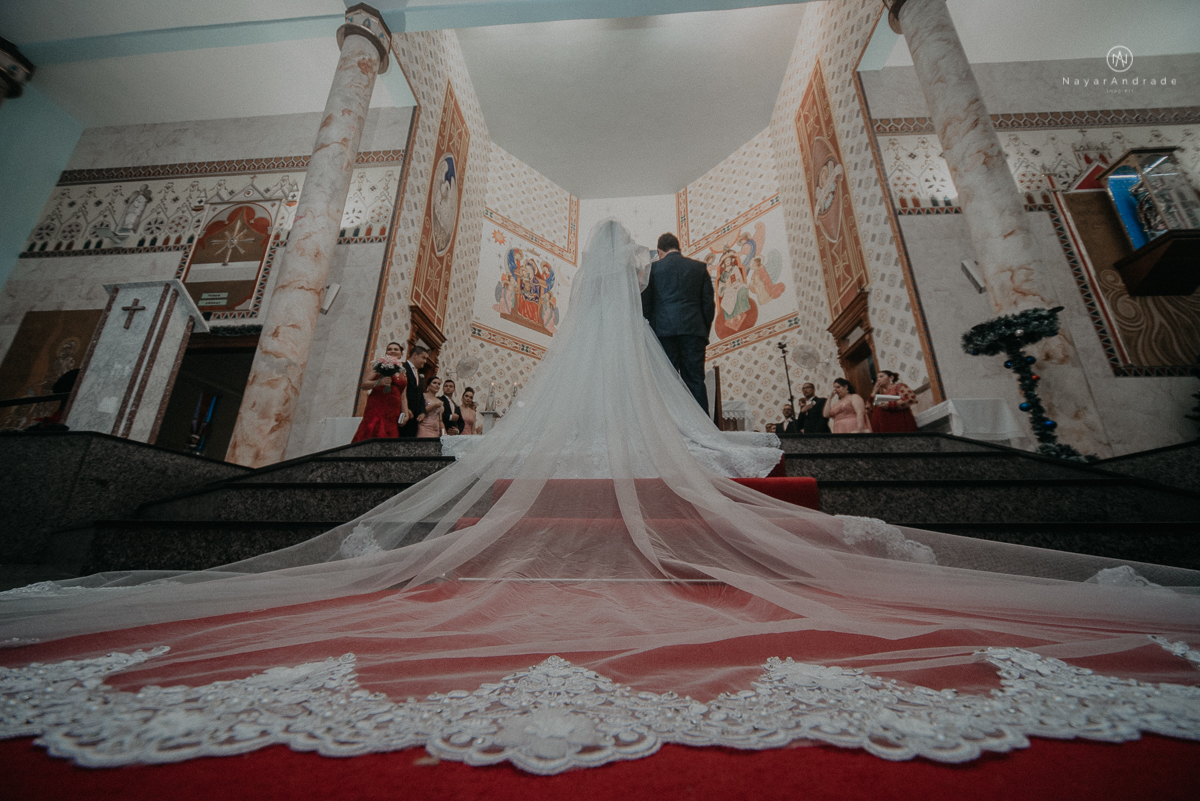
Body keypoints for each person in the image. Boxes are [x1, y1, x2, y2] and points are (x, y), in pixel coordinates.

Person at [2, 219, 1197, 778]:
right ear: (658, 254)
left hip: (639, 343)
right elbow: (701, 322)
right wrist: (695, 317)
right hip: (677, 345)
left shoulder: (606, 290)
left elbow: (606, 329)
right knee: (680, 405)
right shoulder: (677, 275)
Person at [640, 232, 715, 410]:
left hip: (664, 332)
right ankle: (704, 433)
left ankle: (673, 431)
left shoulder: (654, 270)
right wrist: (702, 330)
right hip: (694, 331)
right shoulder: (699, 268)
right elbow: (708, 305)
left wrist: (654, 329)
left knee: (667, 382)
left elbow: (646, 306)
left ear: (659, 251)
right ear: (678, 247)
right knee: (695, 380)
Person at [350, 341, 409, 442]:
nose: (392, 351)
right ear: (386, 352)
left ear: (401, 354)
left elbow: (403, 396)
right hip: (378, 403)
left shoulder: (403, 372)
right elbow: (364, 384)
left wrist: (405, 412)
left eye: (396, 349)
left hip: (393, 409)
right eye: (389, 349)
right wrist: (379, 382)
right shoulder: (377, 365)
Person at [398, 345, 429, 437]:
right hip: (401, 415)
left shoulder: (420, 376)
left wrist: (423, 412)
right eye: (424, 358)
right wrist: (405, 409)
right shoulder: (402, 367)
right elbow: (397, 391)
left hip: (414, 420)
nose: (425, 361)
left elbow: (420, 396)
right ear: (415, 355)